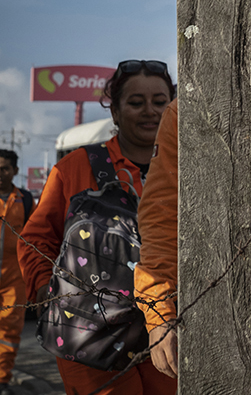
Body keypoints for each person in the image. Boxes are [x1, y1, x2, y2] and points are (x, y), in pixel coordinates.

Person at [134, 0, 251, 394]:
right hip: (225, 314)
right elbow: (161, 216)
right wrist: (159, 314)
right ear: (235, 27)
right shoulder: (188, 111)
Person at [18, 60, 177, 395]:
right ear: (115, 112)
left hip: (170, 328)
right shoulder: (74, 168)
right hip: (89, 336)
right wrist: (51, 294)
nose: (150, 111)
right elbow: (35, 239)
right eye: (136, 103)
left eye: (160, 102)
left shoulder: (191, 168)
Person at [0, 148, 33, 395]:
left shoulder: (26, 200)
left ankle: (1, 380)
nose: (0, 173)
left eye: (5, 168)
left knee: (9, 330)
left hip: (14, 276)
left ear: (15, 171)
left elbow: (34, 239)